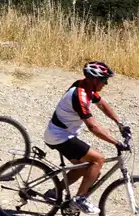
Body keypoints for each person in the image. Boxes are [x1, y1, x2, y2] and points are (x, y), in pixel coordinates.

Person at [43, 61, 130, 215]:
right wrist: (116, 142)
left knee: (86, 167)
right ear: (94, 79)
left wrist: (120, 123)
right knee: (98, 160)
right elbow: (93, 127)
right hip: (59, 136)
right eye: (104, 80)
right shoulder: (79, 95)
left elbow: (102, 104)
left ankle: (55, 192)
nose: (106, 83)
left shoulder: (87, 87)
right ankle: (80, 199)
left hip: (61, 134)